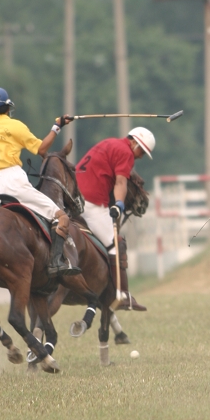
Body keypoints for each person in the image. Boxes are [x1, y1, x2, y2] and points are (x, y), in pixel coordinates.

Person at [0, 87, 81, 278]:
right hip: (15, 182)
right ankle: (56, 262)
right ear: (7, 108)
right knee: (62, 217)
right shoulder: (15, 126)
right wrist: (57, 126)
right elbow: (42, 149)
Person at [75, 126, 155, 311]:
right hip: (92, 203)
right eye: (141, 150)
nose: (140, 156)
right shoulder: (126, 152)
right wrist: (119, 203)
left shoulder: (109, 142)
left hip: (72, 198)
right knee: (116, 244)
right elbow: (121, 182)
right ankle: (122, 295)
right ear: (133, 142)